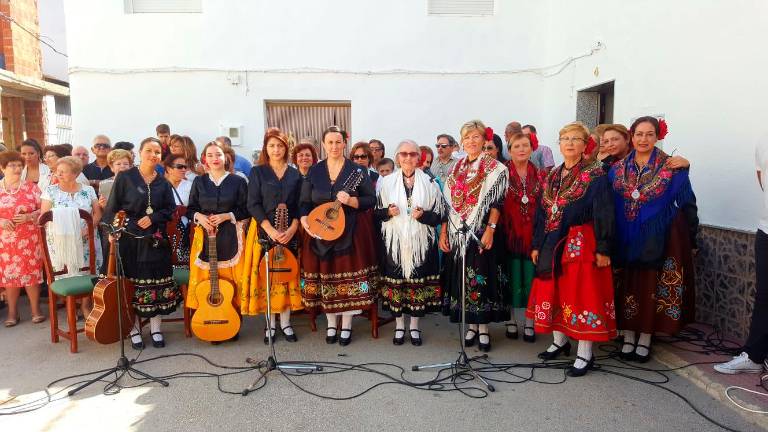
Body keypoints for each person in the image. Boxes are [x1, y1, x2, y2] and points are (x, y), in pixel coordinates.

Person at [526, 122, 616, 377]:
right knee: (554, 291)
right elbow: (542, 212)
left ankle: (585, 353)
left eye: (575, 139)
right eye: (564, 138)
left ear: (585, 144)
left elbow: (604, 212)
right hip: (552, 240)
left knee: (580, 295)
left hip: (580, 241)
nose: (569, 143)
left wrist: (603, 248)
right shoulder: (553, 174)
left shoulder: (595, 174)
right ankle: (560, 341)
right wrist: (535, 243)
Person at [610, 117, 698, 362]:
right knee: (628, 284)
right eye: (639, 134)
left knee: (650, 286)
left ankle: (646, 337)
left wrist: (693, 237)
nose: (643, 139)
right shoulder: (617, 169)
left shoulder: (672, 166)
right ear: (631, 136)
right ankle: (628, 335)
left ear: (657, 136)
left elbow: (687, 201)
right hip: (626, 235)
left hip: (661, 235)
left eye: (649, 134)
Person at [300, 125, 379, 346]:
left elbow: (370, 200)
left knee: (347, 276)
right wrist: (305, 219)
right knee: (325, 276)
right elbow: (305, 201)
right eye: (330, 142)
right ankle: (331, 323)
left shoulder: (357, 170)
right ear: (323, 145)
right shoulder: (314, 171)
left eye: (338, 142)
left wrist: (353, 201)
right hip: (319, 230)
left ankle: (346, 326)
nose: (334, 146)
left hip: (349, 231)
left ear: (345, 143)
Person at [102, 137, 181, 349]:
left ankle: (156, 329)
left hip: (155, 242)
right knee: (133, 287)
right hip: (129, 241)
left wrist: (153, 218)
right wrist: (111, 230)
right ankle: (134, 329)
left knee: (158, 284)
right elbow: (112, 208)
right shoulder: (125, 177)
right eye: (149, 150)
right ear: (140, 152)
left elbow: (170, 210)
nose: (153, 155)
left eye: (157, 152)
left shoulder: (163, 182)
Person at [439, 120, 509, 352]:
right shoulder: (456, 168)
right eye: (467, 137)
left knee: (480, 276)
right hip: (458, 232)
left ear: (484, 140)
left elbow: (497, 202)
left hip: (481, 231)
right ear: (462, 142)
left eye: (475, 137)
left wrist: (491, 229)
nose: (471, 141)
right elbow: (447, 205)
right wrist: (445, 232)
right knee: (462, 278)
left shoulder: (495, 168)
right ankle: (470, 325)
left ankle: (484, 329)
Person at [376, 140, 443, 346]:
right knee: (398, 283)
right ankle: (399, 326)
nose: (408, 158)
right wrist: (387, 212)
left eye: (412, 154)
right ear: (397, 157)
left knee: (417, 282)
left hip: (421, 243)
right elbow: (376, 214)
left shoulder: (431, 183)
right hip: (395, 242)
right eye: (403, 154)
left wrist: (423, 216)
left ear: (418, 158)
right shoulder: (386, 183)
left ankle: (414, 327)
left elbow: (440, 215)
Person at [185, 141, 250, 341]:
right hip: (205, 236)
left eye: (219, 154)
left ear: (226, 158)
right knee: (207, 281)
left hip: (231, 234)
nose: (215, 158)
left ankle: (232, 322)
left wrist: (226, 216)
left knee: (231, 280)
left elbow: (246, 209)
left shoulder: (238, 181)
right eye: (211, 155)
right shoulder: (199, 182)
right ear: (205, 159)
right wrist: (200, 217)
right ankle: (208, 320)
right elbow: (190, 209)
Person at [715, 134, 768, 374]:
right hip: (767, 228)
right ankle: (754, 356)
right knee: (764, 294)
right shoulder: (763, 140)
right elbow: (762, 179)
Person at [245, 128, 304, 343]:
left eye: (280, 146)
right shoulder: (258, 172)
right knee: (268, 277)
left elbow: (300, 205)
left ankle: (286, 323)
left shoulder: (295, 174)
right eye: (272, 146)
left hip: (289, 233)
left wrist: (292, 229)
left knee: (287, 276)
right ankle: (270, 325)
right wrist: (269, 229)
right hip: (264, 230)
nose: (276, 149)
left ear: (286, 148)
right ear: (265, 149)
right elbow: (252, 203)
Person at [40, 156, 102, 318]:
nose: (58, 174)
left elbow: (97, 213)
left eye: (63, 172)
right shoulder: (50, 191)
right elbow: (44, 217)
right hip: (61, 241)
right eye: (57, 171)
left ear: (75, 173)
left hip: (86, 238)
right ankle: (71, 307)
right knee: (65, 272)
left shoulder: (87, 190)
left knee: (87, 272)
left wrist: (87, 230)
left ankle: (86, 306)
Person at [501, 132, 542, 343]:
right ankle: (511, 320)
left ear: (532, 148)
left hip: (533, 235)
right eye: (517, 146)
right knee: (510, 277)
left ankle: (529, 322)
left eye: (525, 145)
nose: (522, 149)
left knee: (530, 279)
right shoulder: (501, 174)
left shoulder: (541, 175)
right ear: (510, 150)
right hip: (509, 236)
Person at [0, 151, 44, 326]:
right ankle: (12, 313)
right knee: (10, 277)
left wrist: (30, 217)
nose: (17, 168)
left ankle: (36, 310)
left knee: (31, 274)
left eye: (19, 165)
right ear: (2, 168)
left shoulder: (31, 188)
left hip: (30, 238)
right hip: (5, 242)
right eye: (12, 165)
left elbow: (45, 208)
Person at [163, 154, 193, 267]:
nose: (184, 169)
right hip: (164, 230)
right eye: (180, 167)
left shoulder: (190, 186)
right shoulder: (160, 186)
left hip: (184, 231)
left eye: (185, 167)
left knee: (183, 263)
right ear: (169, 168)